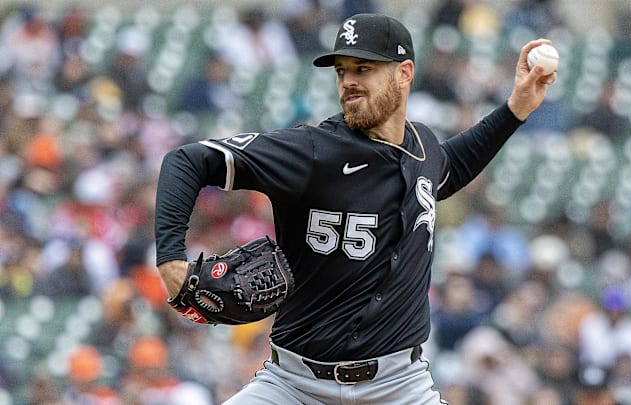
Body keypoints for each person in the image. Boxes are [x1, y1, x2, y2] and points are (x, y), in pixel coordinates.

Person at [155, 12, 555, 405]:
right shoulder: (312, 151)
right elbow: (187, 161)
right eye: (342, 71)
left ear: (404, 73)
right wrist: (171, 260)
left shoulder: (423, 147)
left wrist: (516, 108)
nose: (348, 82)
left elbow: (453, 166)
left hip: (400, 387)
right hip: (294, 386)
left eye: (363, 68)